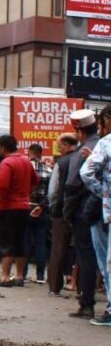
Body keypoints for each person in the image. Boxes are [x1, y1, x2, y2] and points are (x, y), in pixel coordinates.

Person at [64, 109, 101, 320]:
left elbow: (72, 186)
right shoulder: (103, 146)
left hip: (85, 212)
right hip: (105, 209)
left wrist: (67, 214)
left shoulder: (83, 152)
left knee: (86, 258)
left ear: (79, 131)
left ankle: (87, 303)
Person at [0, 135, 37, 287]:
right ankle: (20, 276)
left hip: (8, 207)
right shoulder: (26, 161)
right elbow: (35, 181)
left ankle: (4, 277)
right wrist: (25, 194)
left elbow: (2, 186)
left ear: (3, 147)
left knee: (6, 242)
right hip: (24, 206)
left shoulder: (6, 163)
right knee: (21, 241)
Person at [81, 106, 111, 326]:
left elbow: (86, 172)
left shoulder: (106, 143)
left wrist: (104, 193)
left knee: (108, 261)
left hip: (107, 211)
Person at [47, 133, 79, 297]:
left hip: (61, 211)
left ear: (66, 145)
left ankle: (54, 287)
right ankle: (82, 288)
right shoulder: (84, 157)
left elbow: (53, 191)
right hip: (82, 211)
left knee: (58, 249)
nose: (59, 149)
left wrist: (52, 207)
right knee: (83, 250)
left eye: (59, 146)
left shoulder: (62, 162)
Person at [24, 143, 52, 283]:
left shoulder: (24, 168)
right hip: (41, 209)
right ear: (41, 153)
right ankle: (40, 276)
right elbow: (51, 193)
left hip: (25, 207)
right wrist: (41, 206)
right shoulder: (48, 170)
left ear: (29, 152)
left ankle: (22, 274)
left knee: (25, 240)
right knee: (40, 242)